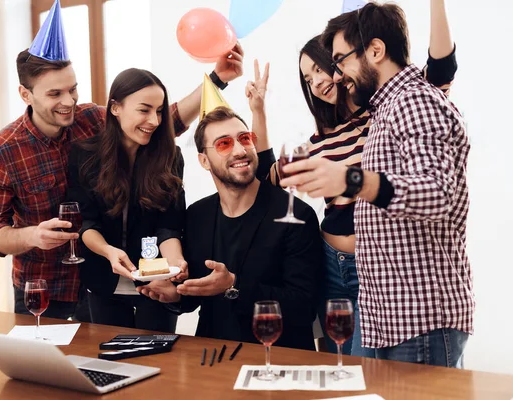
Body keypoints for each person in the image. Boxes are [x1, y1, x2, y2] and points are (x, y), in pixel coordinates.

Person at [0, 1, 245, 319]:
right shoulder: (1, 150)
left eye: (72, 89)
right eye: (54, 94)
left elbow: (156, 122)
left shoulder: (91, 117)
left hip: (99, 282)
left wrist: (217, 79)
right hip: (47, 287)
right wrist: (34, 235)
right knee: (45, 368)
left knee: (104, 366)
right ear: (26, 95)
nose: (69, 102)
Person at [249, 0, 457, 357]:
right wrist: (259, 112)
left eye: (321, 68)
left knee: (369, 366)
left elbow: (441, 67)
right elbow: (266, 176)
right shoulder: (316, 143)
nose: (316, 81)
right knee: (342, 364)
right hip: (331, 265)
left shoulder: (386, 113)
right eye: (307, 77)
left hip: (376, 265)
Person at [137, 106, 323, 350]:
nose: (240, 150)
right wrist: (176, 295)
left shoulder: (297, 215)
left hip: (278, 357)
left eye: (245, 139)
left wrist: (233, 284)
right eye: (224, 144)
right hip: (213, 356)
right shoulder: (197, 215)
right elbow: (197, 292)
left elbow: (304, 307)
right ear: (204, 160)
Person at [66, 68, 186, 331]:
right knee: (111, 364)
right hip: (102, 284)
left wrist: (175, 263)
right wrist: (109, 252)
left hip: (156, 286)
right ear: (115, 108)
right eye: (144, 110)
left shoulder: (171, 156)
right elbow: (85, 223)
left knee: (158, 365)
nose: (154, 120)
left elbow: (169, 226)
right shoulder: (84, 156)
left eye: (159, 111)